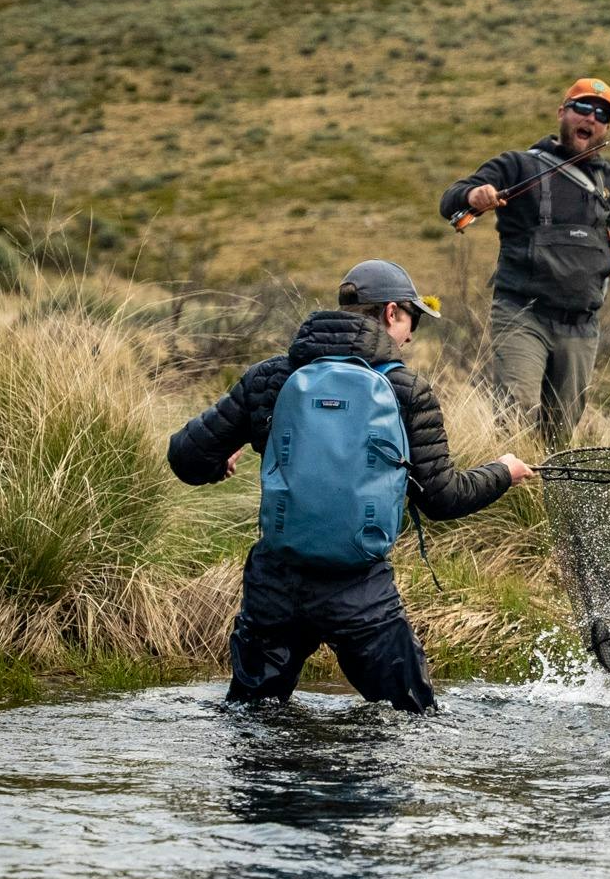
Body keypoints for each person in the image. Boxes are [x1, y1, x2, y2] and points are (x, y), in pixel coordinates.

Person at [167, 260, 534, 713]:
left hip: (274, 588)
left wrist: (217, 464)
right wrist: (504, 470)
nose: (411, 336)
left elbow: (185, 457)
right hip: (361, 594)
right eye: (412, 321)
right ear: (391, 313)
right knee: (411, 721)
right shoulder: (405, 389)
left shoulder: (270, 377)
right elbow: (443, 497)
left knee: (252, 722)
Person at [439, 75, 610, 444]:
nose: (591, 118)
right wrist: (475, 194)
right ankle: (505, 498)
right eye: (583, 107)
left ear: (607, 127)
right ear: (562, 112)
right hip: (522, 315)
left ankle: (541, 502)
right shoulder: (517, 166)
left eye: (602, 114)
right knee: (515, 417)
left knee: (559, 435)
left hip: (581, 327)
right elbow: (451, 198)